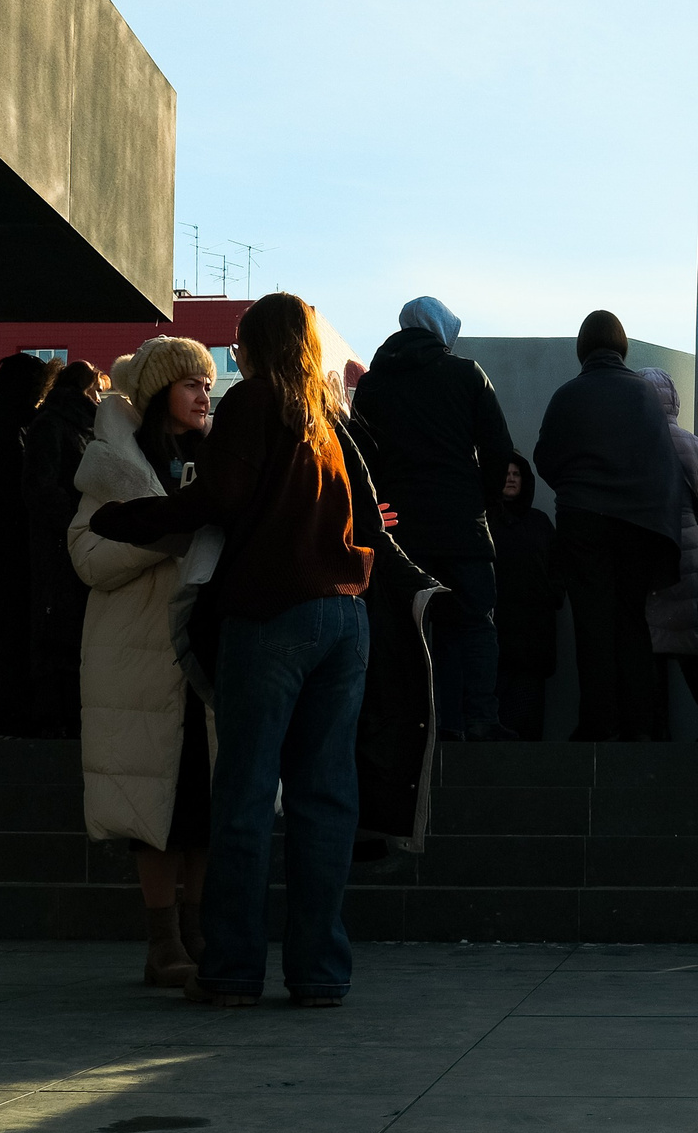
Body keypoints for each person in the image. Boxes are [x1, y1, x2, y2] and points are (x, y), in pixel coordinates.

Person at [88, 293, 431, 1008]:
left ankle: (235, 967)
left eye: (239, 342)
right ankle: (320, 970)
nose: (233, 355)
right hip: (346, 621)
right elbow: (371, 519)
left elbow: (217, 499)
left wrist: (125, 517)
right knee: (325, 798)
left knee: (243, 794)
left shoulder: (254, 403)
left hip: (270, 612)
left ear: (253, 344)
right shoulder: (329, 420)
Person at [71, 337, 217, 988]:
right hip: (135, 657)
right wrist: (167, 535)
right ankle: (164, 941)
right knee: (153, 809)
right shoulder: (116, 464)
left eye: (207, 383)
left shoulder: (218, 460)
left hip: (200, 654)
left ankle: (196, 930)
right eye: (190, 383)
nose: (203, 393)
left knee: (201, 806)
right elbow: (89, 556)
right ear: (161, 391)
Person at [348, 296, 516, 741]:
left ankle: (426, 727)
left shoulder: (372, 386)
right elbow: (499, 450)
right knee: (475, 623)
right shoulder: (466, 375)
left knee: (413, 631)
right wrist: (480, 501)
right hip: (463, 528)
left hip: (400, 534)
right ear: (443, 331)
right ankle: (479, 718)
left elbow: (361, 460)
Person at [533, 311, 681, 741]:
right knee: (632, 623)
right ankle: (639, 726)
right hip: (639, 529)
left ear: (583, 347)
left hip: (583, 524)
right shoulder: (644, 397)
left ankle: (599, 725)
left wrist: (578, 487)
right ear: (622, 346)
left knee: (592, 626)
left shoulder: (568, 395)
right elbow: (664, 467)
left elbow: (545, 458)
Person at [639, 366, 698, 741]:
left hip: (651, 548)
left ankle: (657, 735)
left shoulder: (635, 443)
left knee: (652, 652)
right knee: (692, 650)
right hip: (691, 548)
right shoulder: (692, 442)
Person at [26, 359, 104, 737]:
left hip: (73, 540)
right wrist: (81, 519)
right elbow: (42, 489)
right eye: (97, 387)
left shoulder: (74, 424)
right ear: (86, 388)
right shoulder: (59, 425)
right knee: (62, 633)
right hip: (62, 545)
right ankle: (57, 721)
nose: (102, 396)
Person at [0, 353, 58, 735]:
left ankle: (13, 711)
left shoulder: (1, 419)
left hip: (5, 544)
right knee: (15, 631)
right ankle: (15, 713)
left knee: (12, 630)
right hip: (13, 545)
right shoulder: (15, 422)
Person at [490, 455, 563, 739]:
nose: (510, 478)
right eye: (506, 473)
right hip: (498, 634)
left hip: (534, 636)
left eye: (516, 474)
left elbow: (558, 566)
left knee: (528, 717)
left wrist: (552, 595)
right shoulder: (486, 520)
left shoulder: (539, 522)